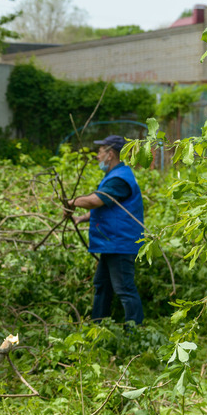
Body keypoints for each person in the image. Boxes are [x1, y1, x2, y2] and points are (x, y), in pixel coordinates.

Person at [63, 135, 145, 325]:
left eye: (100, 151)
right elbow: (110, 207)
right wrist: (82, 218)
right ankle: (98, 326)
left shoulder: (120, 179)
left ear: (110, 154)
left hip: (120, 244)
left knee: (124, 289)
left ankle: (135, 332)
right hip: (112, 243)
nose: (97, 155)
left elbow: (95, 201)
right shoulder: (114, 176)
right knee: (102, 285)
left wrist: (71, 202)